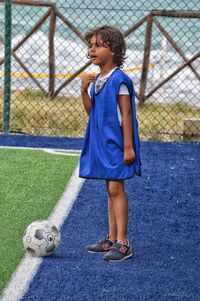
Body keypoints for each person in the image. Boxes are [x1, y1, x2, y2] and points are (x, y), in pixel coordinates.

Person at [79, 25, 141, 262]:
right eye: (90, 46)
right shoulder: (97, 80)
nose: (92, 50)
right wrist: (85, 92)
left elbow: (126, 115)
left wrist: (128, 146)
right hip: (102, 144)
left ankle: (124, 242)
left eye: (98, 45)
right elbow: (92, 113)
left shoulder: (120, 80)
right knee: (109, 189)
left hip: (116, 143)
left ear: (113, 49)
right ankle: (112, 238)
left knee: (116, 189)